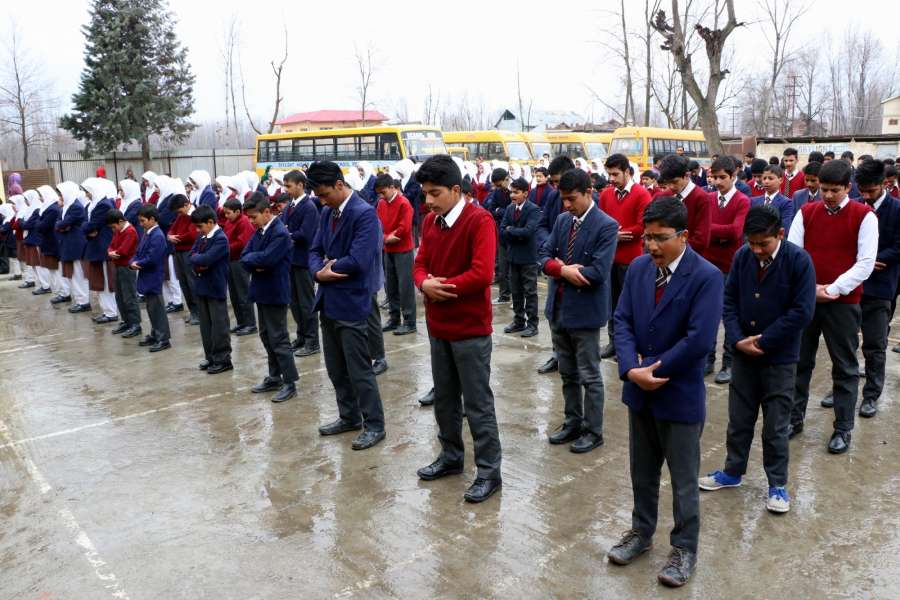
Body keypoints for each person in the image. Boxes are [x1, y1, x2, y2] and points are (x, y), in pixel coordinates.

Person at [607, 196, 723, 587]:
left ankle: (684, 548)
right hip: (639, 391)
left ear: (684, 236)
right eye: (646, 237)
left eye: (660, 238)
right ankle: (641, 533)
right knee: (642, 471)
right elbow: (621, 320)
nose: (652, 246)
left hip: (679, 393)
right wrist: (630, 369)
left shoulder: (706, 277)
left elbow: (699, 340)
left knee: (684, 479)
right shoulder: (639, 268)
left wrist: (651, 369)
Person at [699, 205, 815, 514]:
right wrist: (737, 339)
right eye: (751, 242)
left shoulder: (799, 261)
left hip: (780, 358)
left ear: (780, 234)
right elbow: (730, 300)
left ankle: (777, 484)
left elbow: (802, 311)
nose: (756, 249)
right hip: (744, 355)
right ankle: (732, 471)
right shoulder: (742, 257)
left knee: (776, 425)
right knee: (739, 419)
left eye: (763, 243)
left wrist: (764, 341)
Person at [413, 155, 502, 503]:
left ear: (455, 189)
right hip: (439, 327)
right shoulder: (432, 223)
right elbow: (420, 263)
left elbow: (482, 273)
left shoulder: (480, 221)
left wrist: (440, 287)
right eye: (425, 194)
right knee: (445, 400)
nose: (429, 201)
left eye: (435, 193)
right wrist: (423, 284)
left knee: (478, 403)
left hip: (470, 329)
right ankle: (451, 456)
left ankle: (489, 471)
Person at [787, 159, 877, 454]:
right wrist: (809, 288)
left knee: (845, 367)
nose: (827, 195)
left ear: (848, 188)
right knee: (800, 361)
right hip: (806, 300)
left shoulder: (865, 216)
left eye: (834, 190)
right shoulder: (806, 212)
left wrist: (834, 289)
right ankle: (795, 418)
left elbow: (865, 263)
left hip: (843, 303)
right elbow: (794, 253)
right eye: (824, 189)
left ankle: (843, 428)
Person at [306, 161, 387, 451]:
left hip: (353, 301)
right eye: (318, 196)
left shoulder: (364, 215)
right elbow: (314, 250)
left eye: (325, 193)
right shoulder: (327, 212)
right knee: (336, 368)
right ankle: (349, 416)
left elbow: (360, 259)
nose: (321, 200)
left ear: (339, 185)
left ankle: (374, 424)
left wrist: (331, 267)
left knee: (359, 370)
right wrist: (319, 272)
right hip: (328, 299)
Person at [540, 168, 618, 453]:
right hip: (558, 309)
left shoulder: (606, 225)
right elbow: (544, 255)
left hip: (584, 312)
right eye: (563, 199)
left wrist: (563, 271)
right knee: (567, 372)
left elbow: (598, 271)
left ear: (589, 192)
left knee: (589, 375)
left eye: (572, 199)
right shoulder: (562, 221)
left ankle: (593, 430)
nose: (567, 205)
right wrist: (561, 269)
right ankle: (572, 421)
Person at [827, 159, 900, 418]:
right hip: (850, 285)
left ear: (884, 184)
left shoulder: (896, 209)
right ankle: (839, 389)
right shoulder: (852, 206)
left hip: (880, 286)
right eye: (862, 191)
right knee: (843, 343)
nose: (866, 196)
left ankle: (871, 394)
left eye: (871, 191)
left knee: (874, 344)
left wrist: (875, 259)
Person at [241, 193, 298, 403]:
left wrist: (256, 260)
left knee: (279, 337)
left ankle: (289, 382)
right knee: (266, 335)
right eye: (249, 217)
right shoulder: (260, 231)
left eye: (253, 217)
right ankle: (275, 376)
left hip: (275, 291)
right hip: (261, 289)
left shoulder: (280, 233)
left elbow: (268, 259)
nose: (251, 221)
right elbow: (245, 256)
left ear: (267, 212)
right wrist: (256, 261)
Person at [599, 154, 652, 359]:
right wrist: (613, 235)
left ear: (628, 172)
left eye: (615, 174)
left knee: (631, 304)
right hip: (609, 258)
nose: (611, 179)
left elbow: (642, 225)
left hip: (631, 259)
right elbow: (601, 222)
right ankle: (614, 341)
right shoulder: (606, 195)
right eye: (609, 174)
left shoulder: (641, 194)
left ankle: (629, 346)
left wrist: (618, 235)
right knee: (611, 303)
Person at [703, 156, 751, 383]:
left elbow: (735, 232)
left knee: (730, 314)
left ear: (734, 176)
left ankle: (729, 362)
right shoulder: (708, 198)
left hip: (732, 265)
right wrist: (715, 233)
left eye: (723, 177)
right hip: (709, 263)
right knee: (708, 313)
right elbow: (699, 229)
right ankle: (707, 358)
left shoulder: (742, 201)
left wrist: (711, 231)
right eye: (714, 177)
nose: (718, 182)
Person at [536, 156, 576, 375]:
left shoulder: (590, 199)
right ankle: (557, 353)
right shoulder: (553, 197)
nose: (556, 187)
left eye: (559, 181)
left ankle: (572, 356)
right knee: (553, 312)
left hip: (577, 268)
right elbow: (541, 225)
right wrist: (549, 244)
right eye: (553, 183)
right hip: (554, 264)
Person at [279, 170, 320, 355]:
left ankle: (312, 341)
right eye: (285, 186)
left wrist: (288, 234)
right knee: (294, 302)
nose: (286, 190)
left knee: (306, 302)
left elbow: (306, 234)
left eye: (289, 186)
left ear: (301, 185)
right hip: (290, 260)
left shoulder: (309, 207)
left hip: (303, 261)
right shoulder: (289, 207)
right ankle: (302, 335)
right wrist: (287, 234)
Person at [189, 205, 233, 374]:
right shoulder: (202, 237)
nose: (198, 230)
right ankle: (211, 357)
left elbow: (207, 258)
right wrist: (198, 260)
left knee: (219, 325)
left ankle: (223, 359)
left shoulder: (220, 238)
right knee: (206, 326)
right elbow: (191, 256)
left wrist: (198, 260)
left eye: (200, 226)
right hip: (202, 286)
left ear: (210, 222)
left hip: (215, 286)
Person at [375, 172, 417, 336]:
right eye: (379, 193)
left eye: (383, 192)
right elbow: (378, 225)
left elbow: (404, 228)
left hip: (403, 250)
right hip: (388, 249)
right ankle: (394, 319)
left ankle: (409, 321)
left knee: (405, 286)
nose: (382, 195)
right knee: (390, 286)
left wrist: (390, 237)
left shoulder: (404, 203)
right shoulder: (381, 204)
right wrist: (386, 238)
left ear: (392, 187)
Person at [500, 177, 541, 337]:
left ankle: (532, 324)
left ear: (525, 193)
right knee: (516, 291)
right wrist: (514, 232)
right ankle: (518, 321)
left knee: (530, 292)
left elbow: (528, 232)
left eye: (516, 192)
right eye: (511, 192)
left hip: (528, 258)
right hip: (513, 256)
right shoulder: (510, 208)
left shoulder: (533, 209)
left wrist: (511, 231)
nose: (512, 195)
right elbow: (502, 230)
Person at [131, 204, 170, 352]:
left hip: (153, 275)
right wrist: (133, 262)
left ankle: (163, 338)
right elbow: (139, 252)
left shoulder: (158, 235)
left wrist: (138, 263)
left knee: (157, 308)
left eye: (143, 221)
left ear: (152, 219)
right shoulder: (148, 233)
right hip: (146, 274)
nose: (141, 224)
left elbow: (152, 258)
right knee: (151, 308)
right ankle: (155, 333)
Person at [656, 155, 712, 253]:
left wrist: (670, 247)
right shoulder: (664, 195)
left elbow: (701, 240)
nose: (671, 186)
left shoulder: (702, 198)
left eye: (674, 182)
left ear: (687, 175)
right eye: (667, 183)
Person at [81, 178, 119, 323]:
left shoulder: (103, 205)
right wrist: (88, 227)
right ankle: (107, 311)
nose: (86, 195)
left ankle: (110, 312)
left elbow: (91, 226)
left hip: (102, 247)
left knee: (105, 280)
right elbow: (87, 225)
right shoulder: (94, 205)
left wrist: (88, 227)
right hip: (96, 246)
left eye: (87, 191)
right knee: (100, 281)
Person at [220, 199, 257, 336]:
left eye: (228, 213)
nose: (226, 216)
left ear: (237, 211)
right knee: (234, 294)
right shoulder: (230, 221)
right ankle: (241, 321)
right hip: (230, 260)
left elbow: (243, 243)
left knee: (243, 293)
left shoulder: (244, 222)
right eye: (225, 213)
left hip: (240, 261)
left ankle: (250, 323)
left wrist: (226, 248)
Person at [53, 181, 89, 313]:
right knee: (74, 274)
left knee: (79, 274)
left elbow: (64, 223)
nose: (60, 197)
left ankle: (83, 302)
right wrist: (61, 225)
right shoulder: (67, 206)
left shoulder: (76, 206)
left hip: (76, 244)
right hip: (69, 243)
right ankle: (79, 300)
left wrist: (61, 225)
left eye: (61, 194)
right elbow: (59, 224)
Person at [106, 209, 141, 338]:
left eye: (114, 226)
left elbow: (124, 251)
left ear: (120, 221)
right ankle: (126, 321)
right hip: (118, 265)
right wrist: (111, 252)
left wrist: (113, 253)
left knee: (129, 296)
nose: (113, 229)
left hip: (127, 267)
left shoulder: (130, 231)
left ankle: (135, 324)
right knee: (119, 296)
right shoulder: (118, 230)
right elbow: (111, 245)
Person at [168, 195, 200, 325]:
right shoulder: (181, 216)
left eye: (180, 210)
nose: (179, 214)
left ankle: (198, 312)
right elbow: (172, 229)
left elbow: (192, 235)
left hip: (189, 252)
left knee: (192, 282)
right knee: (183, 282)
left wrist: (176, 238)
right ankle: (192, 311)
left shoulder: (195, 215)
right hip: (179, 252)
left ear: (187, 204)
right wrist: (170, 236)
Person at [485, 168, 512, 305]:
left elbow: (514, 210)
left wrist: (500, 211)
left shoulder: (516, 189)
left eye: (500, 184)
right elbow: (491, 209)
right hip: (502, 233)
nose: (499, 187)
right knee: (502, 267)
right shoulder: (496, 193)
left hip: (515, 234)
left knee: (515, 269)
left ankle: (518, 297)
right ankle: (504, 295)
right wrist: (504, 211)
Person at [36, 185, 63, 300]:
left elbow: (41, 226)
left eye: (41, 196)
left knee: (55, 270)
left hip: (52, 243)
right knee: (52, 269)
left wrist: (38, 222)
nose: (40, 199)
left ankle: (60, 292)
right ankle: (57, 292)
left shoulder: (52, 209)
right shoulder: (47, 208)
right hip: (48, 242)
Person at [750, 164, 794, 233]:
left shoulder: (786, 203)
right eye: (764, 178)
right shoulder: (754, 201)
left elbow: (785, 227)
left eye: (770, 178)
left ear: (781, 180)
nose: (766, 181)